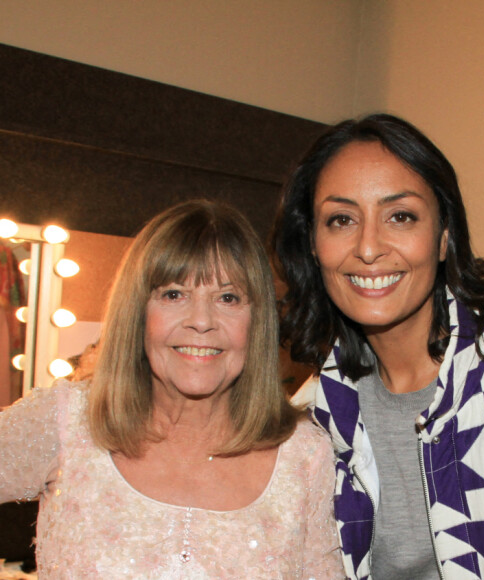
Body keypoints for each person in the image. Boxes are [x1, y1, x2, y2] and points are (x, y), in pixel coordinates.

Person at [271, 113, 484, 579]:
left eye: (400, 216)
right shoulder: (314, 419)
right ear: (314, 246)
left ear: (443, 237)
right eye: (341, 219)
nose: (369, 247)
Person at [0, 200, 344, 579]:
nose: (201, 321)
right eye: (174, 294)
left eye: (228, 298)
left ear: (257, 320)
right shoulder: (66, 421)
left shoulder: (304, 455)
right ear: (138, 312)